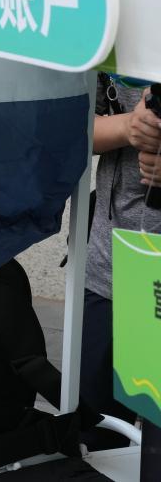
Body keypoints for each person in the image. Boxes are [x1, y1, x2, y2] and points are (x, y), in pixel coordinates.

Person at [80, 74, 161, 450]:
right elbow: (73, 128)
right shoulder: (109, 42)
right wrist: (129, 126)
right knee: (96, 435)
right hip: (112, 266)